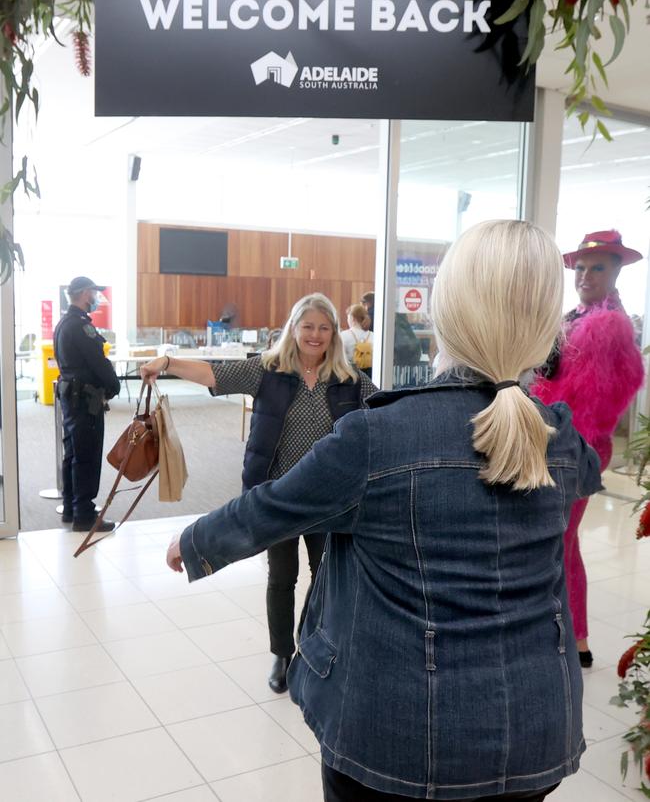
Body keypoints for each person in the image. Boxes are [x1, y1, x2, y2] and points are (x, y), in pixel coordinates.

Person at [165, 220, 602, 801]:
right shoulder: (560, 437)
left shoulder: (378, 437)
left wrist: (193, 543)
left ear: (443, 316)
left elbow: (275, 505)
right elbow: (586, 476)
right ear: (547, 326)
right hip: (537, 729)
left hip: (397, 737)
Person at [141, 293, 376, 694]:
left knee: (326, 577)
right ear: (294, 329)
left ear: (333, 333)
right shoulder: (269, 370)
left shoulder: (349, 379)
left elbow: (385, 411)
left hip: (328, 500)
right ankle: (282, 653)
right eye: (308, 326)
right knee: (282, 578)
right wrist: (168, 364)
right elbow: (216, 375)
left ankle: (319, 648)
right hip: (276, 497)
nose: (315, 335)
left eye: (323, 327)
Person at [532, 229, 644, 668]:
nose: (585, 275)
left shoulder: (606, 324)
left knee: (559, 539)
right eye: (580, 267)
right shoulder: (575, 317)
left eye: (598, 268)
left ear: (617, 271)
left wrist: (554, 440)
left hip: (572, 446)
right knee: (562, 539)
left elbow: (591, 402)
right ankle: (573, 634)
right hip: (564, 442)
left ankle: (570, 636)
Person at [53, 276, 120, 532]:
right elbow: (98, 361)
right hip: (85, 401)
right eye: (94, 292)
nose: (96, 297)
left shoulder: (63, 324)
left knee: (73, 454)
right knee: (87, 455)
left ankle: (72, 508)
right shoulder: (82, 326)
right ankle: (85, 514)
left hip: (71, 397)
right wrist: (114, 386)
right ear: (84, 294)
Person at [340, 303, 373, 374]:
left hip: (351, 374)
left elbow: (339, 358)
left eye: (348, 318)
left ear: (353, 319)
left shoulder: (344, 335)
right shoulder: (373, 336)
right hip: (370, 375)